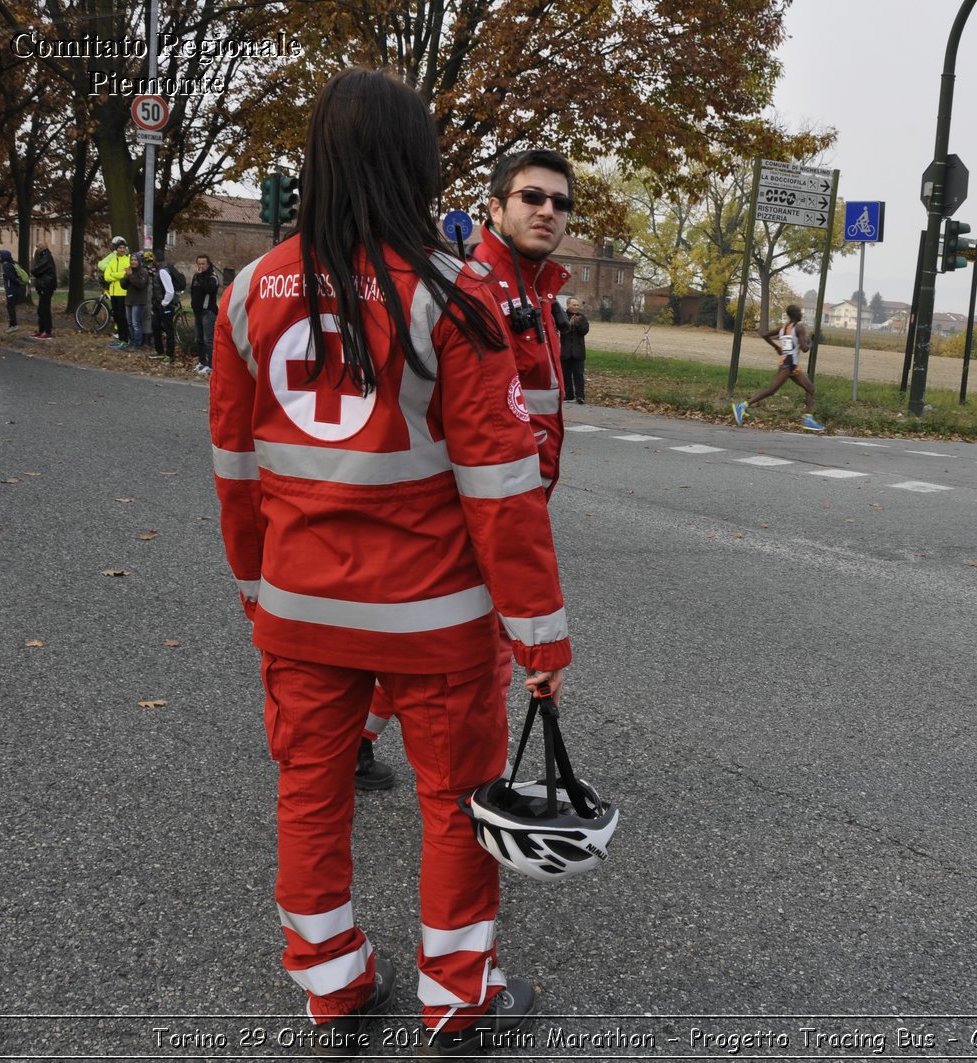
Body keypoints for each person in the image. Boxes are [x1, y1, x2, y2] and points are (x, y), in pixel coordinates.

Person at [209, 67, 567, 1056]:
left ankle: (331, 985)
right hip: (434, 616)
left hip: (298, 604)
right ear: (419, 164)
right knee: (455, 803)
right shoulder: (453, 298)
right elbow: (501, 493)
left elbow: (235, 472)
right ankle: (458, 996)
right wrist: (540, 632)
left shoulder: (249, 291)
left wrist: (256, 593)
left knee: (309, 794)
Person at [355, 148, 575, 790]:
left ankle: (357, 742)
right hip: (474, 503)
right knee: (486, 652)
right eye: (532, 198)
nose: (547, 211)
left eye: (559, 203)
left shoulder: (533, 288)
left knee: (427, 643)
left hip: (510, 495)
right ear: (495, 207)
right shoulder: (474, 286)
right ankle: (470, 783)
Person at [732, 303, 824, 431]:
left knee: (810, 388)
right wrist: (810, 343)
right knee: (772, 390)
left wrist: (777, 347)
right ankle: (742, 406)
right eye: (800, 312)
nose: (801, 314)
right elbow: (804, 349)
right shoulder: (799, 328)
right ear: (796, 315)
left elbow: (764, 335)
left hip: (790, 363)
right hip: (788, 363)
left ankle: (808, 419)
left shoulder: (783, 328)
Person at [189, 254, 221, 375]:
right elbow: (193, 290)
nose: (201, 266)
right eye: (199, 264)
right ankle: (202, 362)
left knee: (208, 339)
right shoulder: (196, 277)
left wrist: (201, 277)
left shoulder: (213, 277)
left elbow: (209, 289)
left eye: (203, 264)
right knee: (199, 339)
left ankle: (211, 364)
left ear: (208, 264)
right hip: (197, 311)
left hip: (208, 312)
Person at [99, 236, 131, 348]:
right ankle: (120, 338)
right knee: (116, 316)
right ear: (116, 249)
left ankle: (125, 339)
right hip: (113, 293)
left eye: (123, 248)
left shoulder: (128, 260)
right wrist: (119, 275)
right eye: (120, 248)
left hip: (123, 292)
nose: (122, 249)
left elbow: (126, 274)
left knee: (123, 317)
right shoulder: (112, 261)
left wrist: (115, 275)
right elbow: (107, 277)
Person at [557, 297, 589, 404]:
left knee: (579, 374)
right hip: (565, 351)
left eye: (577, 305)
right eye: (574, 305)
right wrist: (568, 324)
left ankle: (580, 396)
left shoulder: (582, 317)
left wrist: (577, 324)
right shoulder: (562, 316)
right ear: (568, 305)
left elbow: (584, 331)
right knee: (566, 375)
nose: (576, 307)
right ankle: (568, 395)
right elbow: (560, 329)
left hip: (578, 351)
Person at [148, 251, 179, 361]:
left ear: (155, 260)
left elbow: (169, 291)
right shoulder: (159, 270)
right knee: (156, 326)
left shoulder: (163, 271)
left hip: (166, 305)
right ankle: (159, 350)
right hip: (158, 305)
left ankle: (170, 355)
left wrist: (164, 303)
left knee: (168, 329)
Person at [124, 252, 150, 350]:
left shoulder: (143, 272)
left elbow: (140, 285)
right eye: (131, 260)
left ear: (139, 261)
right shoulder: (130, 271)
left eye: (135, 260)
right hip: (129, 300)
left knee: (136, 323)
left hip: (138, 301)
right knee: (129, 323)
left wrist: (130, 276)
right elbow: (123, 286)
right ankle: (132, 341)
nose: (133, 262)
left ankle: (137, 344)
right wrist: (126, 276)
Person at [31, 245, 57, 338]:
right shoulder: (44, 256)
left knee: (44, 308)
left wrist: (33, 268)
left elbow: (36, 269)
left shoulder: (46, 258)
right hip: (44, 285)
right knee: (41, 309)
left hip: (46, 285)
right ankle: (41, 330)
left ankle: (47, 330)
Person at [0, 249, 21, 332]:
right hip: (15, 289)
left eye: (0, 256)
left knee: (10, 307)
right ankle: (13, 325)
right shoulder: (13, 263)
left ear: (4, 257)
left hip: (11, 290)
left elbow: (11, 277)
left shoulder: (6, 266)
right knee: (11, 306)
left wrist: (15, 281)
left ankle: (13, 325)